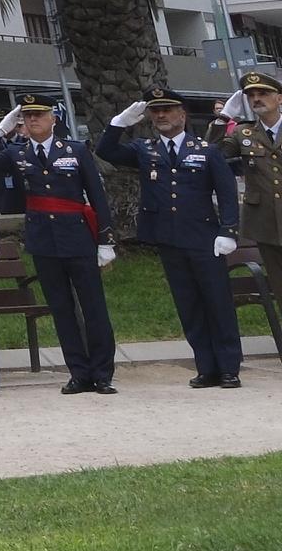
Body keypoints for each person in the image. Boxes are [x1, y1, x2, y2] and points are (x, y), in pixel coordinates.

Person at [99, 90, 246, 388]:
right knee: (188, 305)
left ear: (182, 114)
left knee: (217, 302)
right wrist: (117, 124)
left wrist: (228, 230)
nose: (161, 116)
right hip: (168, 238)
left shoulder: (205, 149)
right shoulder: (145, 149)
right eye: (156, 111)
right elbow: (107, 152)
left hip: (204, 237)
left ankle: (229, 367)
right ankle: (206, 367)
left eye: (168, 109)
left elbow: (227, 192)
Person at [0, 93, 117, 395]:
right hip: (44, 241)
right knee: (62, 310)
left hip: (78, 238)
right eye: (27, 117)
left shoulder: (75, 150)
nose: (32, 120)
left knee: (94, 308)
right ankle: (79, 372)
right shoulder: (17, 153)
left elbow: (97, 196)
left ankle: (103, 373)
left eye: (38, 115)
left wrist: (105, 239)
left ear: (52, 119)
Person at [223, 70, 282, 291]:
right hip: (265, 222)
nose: (257, 98)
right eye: (251, 95)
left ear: (279, 98)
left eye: (264, 93)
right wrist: (223, 118)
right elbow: (213, 155)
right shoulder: (243, 133)